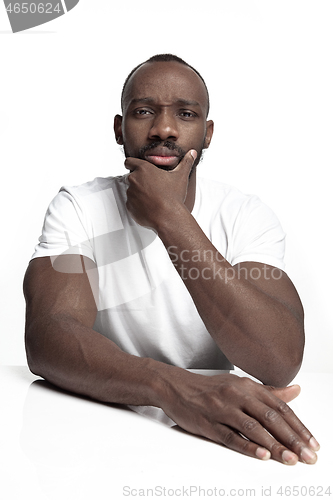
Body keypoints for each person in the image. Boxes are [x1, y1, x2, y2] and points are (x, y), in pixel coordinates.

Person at [24, 54, 320, 466]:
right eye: (144, 112)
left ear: (208, 132)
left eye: (185, 113)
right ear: (118, 127)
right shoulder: (79, 208)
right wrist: (173, 390)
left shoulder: (244, 215)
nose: (163, 129)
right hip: (96, 427)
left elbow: (278, 360)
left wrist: (170, 216)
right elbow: (48, 339)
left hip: (211, 445)